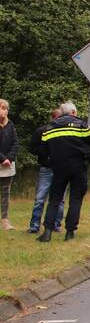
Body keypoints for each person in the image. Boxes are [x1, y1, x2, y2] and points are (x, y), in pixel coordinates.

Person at [37, 101, 90, 242]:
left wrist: (51, 161)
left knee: (54, 200)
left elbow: (43, 150)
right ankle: (69, 233)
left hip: (58, 168)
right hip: (78, 167)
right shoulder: (81, 125)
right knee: (75, 199)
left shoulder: (50, 127)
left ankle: (47, 233)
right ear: (74, 112)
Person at [27, 108, 65, 234]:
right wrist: (46, 153)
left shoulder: (65, 132)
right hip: (47, 167)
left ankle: (55, 224)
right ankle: (35, 225)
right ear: (53, 118)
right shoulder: (42, 131)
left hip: (60, 169)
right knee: (41, 198)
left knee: (58, 199)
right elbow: (32, 147)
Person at [0, 98, 18, 231]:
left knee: (6, 192)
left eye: (5, 108)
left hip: (8, 164)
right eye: (1, 108)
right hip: (2, 161)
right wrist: (2, 158)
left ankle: (5, 220)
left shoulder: (10, 124)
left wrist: (9, 158)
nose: (3, 111)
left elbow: (15, 143)